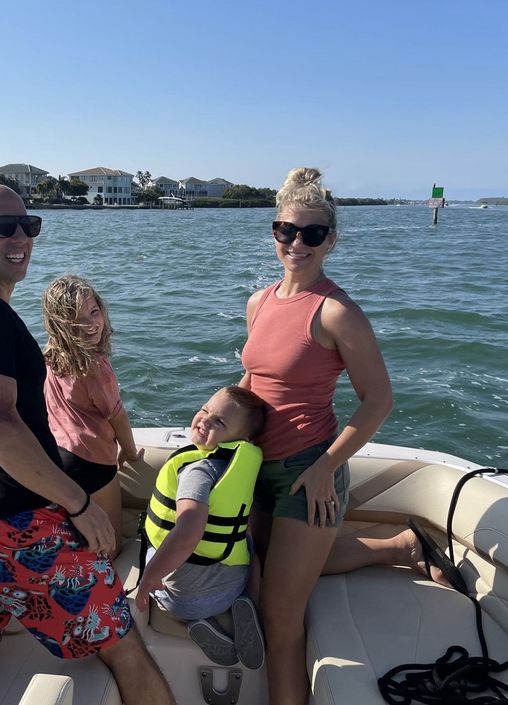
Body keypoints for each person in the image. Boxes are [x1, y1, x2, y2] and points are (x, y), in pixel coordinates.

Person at [0, 184, 175, 705]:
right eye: (3, 227)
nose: (21, 238)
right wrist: (78, 504)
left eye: (28, 225)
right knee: (122, 645)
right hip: (22, 528)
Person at [240, 167, 394, 705]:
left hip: (308, 472)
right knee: (267, 575)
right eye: (286, 230)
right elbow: (253, 381)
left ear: (330, 240)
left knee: (279, 619)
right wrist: (219, 422)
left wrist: (326, 466)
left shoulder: (336, 312)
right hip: (252, 469)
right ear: (274, 233)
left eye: (310, 234)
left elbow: (378, 400)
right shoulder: (259, 302)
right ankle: (399, 547)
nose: (295, 244)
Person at [135, 385, 267, 670]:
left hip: (179, 601)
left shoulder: (197, 470)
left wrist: (148, 579)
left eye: (218, 422)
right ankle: (250, 603)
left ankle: (195, 621)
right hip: (231, 588)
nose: (205, 421)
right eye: (206, 410)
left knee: (159, 550)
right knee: (246, 539)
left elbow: (187, 533)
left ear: (242, 437)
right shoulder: (241, 462)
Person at [42, 275, 142, 558]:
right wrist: (131, 454)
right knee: (109, 545)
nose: (90, 324)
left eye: (93, 312)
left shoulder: (51, 355)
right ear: (62, 324)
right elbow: (117, 416)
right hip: (92, 462)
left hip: (59, 457)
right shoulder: (96, 366)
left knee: (78, 538)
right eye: (77, 319)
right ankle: (103, 597)